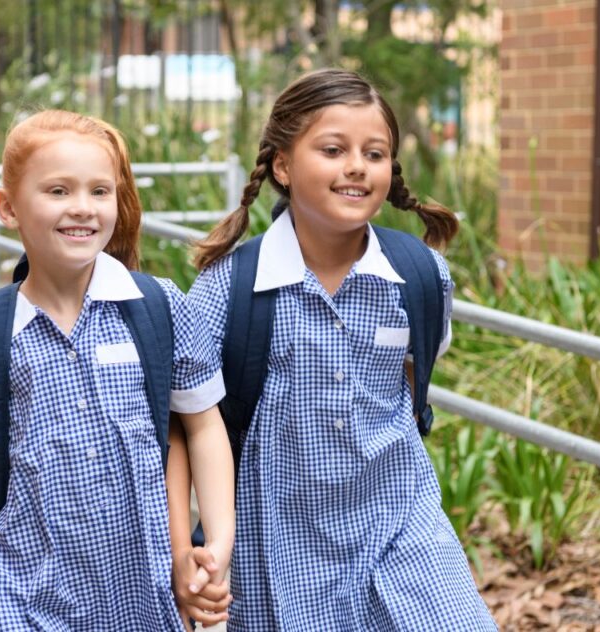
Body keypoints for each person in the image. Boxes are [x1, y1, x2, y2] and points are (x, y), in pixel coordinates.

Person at [178, 68, 498, 629]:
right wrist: (188, 545)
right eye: (333, 149)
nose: (356, 166)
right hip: (274, 539)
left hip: (401, 523)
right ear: (282, 164)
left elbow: (409, 375)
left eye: (375, 154)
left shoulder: (420, 276)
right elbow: (189, 423)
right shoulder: (228, 288)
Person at [0, 110, 235, 631]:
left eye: (99, 191)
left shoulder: (159, 309)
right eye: (58, 191)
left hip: (143, 600)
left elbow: (202, 425)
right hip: (25, 598)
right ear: (8, 208)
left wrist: (216, 541)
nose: (82, 208)